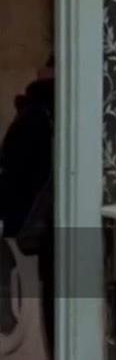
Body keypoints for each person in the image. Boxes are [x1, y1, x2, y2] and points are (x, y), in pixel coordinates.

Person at [0, 56, 55, 353]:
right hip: (38, 225)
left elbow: (10, 172)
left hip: (22, 222)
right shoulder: (45, 117)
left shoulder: (29, 117)